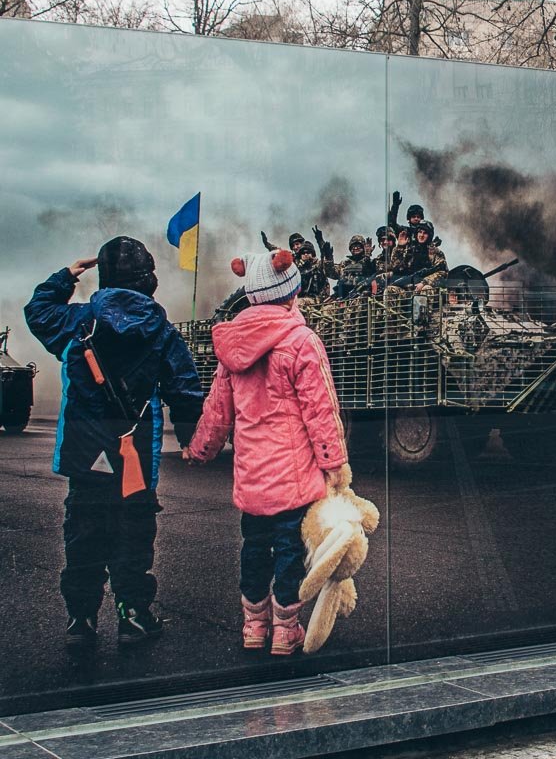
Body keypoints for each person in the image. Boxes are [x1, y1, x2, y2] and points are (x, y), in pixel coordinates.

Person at [24, 237, 205, 648]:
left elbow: (36, 312)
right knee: (133, 535)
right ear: (149, 279)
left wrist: (65, 277)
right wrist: (194, 443)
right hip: (135, 453)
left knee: (83, 536)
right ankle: (134, 616)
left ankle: (81, 619)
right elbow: (186, 390)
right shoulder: (161, 330)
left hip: (84, 455)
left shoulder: (77, 320)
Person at [185, 249, 349, 656]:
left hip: (252, 475)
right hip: (294, 479)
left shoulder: (231, 347)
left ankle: (253, 627)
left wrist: (200, 448)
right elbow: (321, 409)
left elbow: (217, 409)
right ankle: (286, 628)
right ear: (291, 294)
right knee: (291, 550)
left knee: (254, 547)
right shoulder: (301, 341)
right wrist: (335, 465)